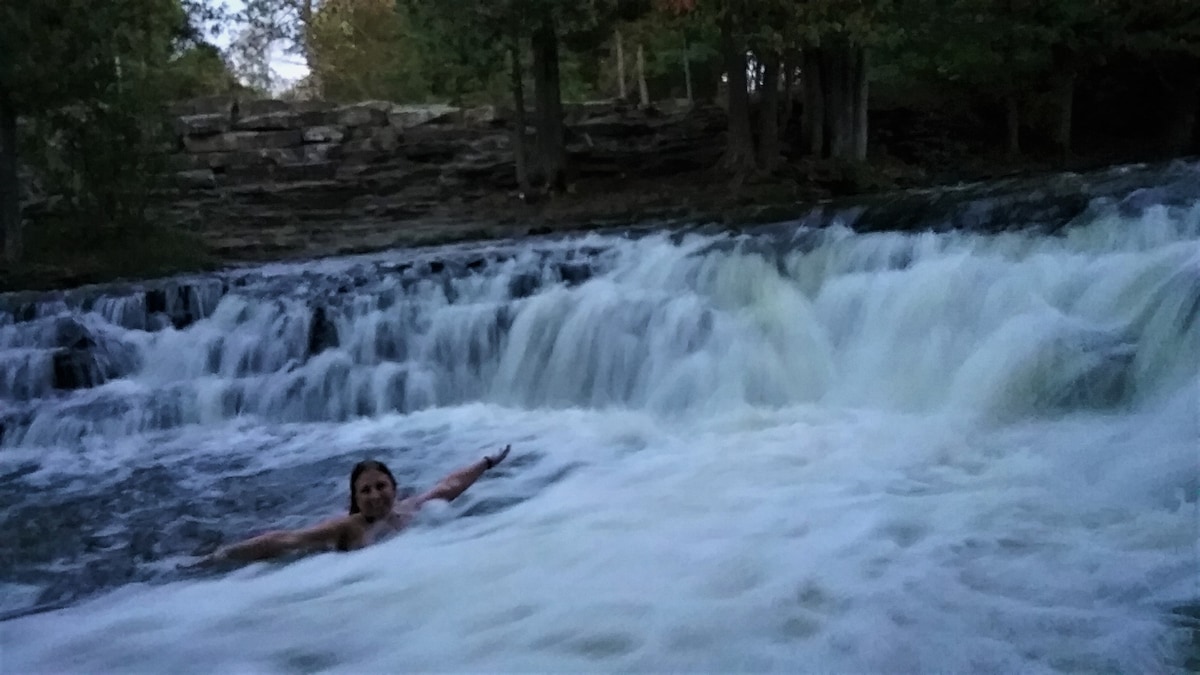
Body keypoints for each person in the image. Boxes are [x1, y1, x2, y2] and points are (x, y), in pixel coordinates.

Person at [197, 445, 511, 564]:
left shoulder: (406, 510)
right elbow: (284, 539)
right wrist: (220, 556)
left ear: (394, 488)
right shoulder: (347, 527)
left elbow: (448, 486)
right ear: (355, 500)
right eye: (365, 491)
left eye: (380, 486)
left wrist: (486, 462)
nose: (375, 496)